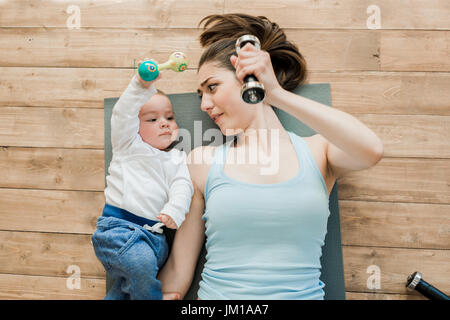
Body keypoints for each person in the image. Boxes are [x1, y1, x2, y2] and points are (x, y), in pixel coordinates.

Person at [157, 13, 383, 300]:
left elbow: (371, 150)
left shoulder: (318, 151)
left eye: (212, 87)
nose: (204, 104)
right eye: (201, 93)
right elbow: (178, 271)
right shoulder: (203, 161)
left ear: (248, 78)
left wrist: (274, 92)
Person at [91, 62, 194, 300]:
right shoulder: (128, 145)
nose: (164, 123)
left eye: (169, 117)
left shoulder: (178, 159)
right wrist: (140, 84)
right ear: (134, 128)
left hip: (155, 238)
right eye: (152, 119)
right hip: (120, 232)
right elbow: (122, 114)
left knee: (129, 286)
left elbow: (183, 186)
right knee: (140, 269)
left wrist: (174, 211)